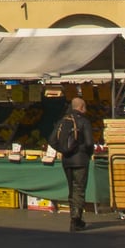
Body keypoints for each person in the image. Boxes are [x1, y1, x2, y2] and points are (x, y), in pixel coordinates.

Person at [51, 97, 96, 232]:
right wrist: (87, 154)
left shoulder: (62, 121)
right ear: (82, 107)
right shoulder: (84, 122)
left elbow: (52, 140)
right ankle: (76, 220)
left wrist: (64, 150)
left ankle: (75, 217)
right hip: (80, 160)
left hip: (67, 160)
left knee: (72, 188)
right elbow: (89, 143)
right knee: (79, 189)